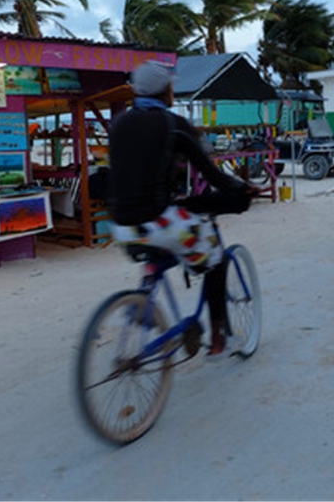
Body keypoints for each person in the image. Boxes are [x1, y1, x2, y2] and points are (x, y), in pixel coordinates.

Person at [109, 62, 256, 357]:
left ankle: (144, 301)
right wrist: (241, 189)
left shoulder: (119, 123)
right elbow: (211, 173)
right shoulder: (173, 125)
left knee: (165, 241)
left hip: (121, 227)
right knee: (214, 257)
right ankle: (217, 339)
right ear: (166, 91)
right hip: (159, 222)